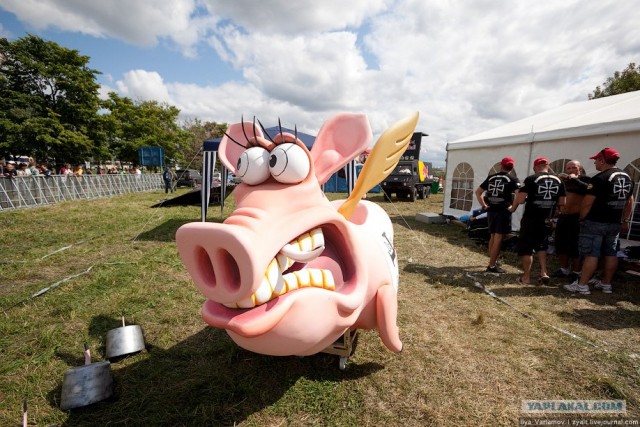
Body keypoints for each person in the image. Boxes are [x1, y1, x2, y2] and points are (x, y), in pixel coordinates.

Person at [563, 148, 635, 295]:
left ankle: (582, 285)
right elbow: (630, 201)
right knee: (611, 253)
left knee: (591, 254)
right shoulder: (627, 177)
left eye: (596, 160)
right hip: (614, 222)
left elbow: (587, 203)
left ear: (602, 161)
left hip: (596, 221)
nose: (595, 162)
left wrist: (582, 218)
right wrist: (625, 219)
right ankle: (606, 284)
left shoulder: (600, 178)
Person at [510, 157, 566, 284]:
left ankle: (526, 277)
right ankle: (544, 272)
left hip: (531, 218)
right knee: (542, 246)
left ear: (535, 167)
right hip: (546, 219)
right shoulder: (558, 180)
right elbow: (562, 203)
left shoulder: (531, 179)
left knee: (526, 248)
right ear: (547, 166)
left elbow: (521, 200)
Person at [475, 157, 521, 273]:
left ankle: (492, 261)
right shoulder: (512, 179)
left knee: (493, 236)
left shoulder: (491, 177)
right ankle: (491, 266)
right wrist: (513, 208)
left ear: (501, 165)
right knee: (499, 237)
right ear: (512, 167)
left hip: (491, 210)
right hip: (503, 211)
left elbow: (478, 192)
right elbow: (519, 195)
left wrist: (484, 206)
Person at [552, 160, 590, 280]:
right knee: (560, 243)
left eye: (574, 168)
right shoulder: (562, 182)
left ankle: (576, 271)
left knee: (575, 246)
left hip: (576, 217)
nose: (571, 170)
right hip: (563, 216)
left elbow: (589, 191)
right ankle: (564, 268)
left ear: (580, 168)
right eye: (568, 168)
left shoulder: (585, 180)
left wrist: (574, 179)